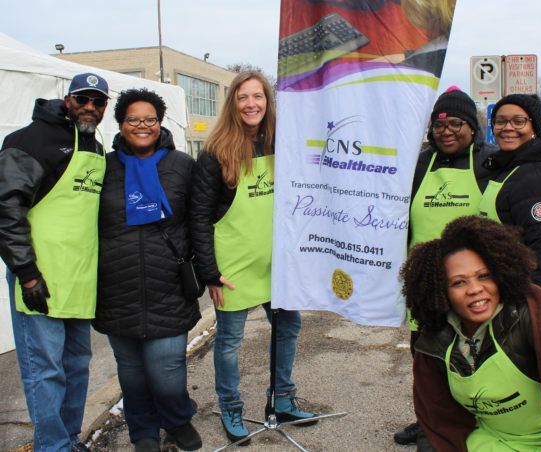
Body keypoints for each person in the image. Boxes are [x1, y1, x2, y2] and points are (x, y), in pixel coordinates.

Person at [190, 71, 316, 444]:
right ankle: (230, 406)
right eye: (243, 97)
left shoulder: (283, 144)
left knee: (288, 329)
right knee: (230, 340)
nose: (251, 104)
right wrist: (209, 272)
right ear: (233, 103)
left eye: (257, 96)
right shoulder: (215, 153)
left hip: (278, 264)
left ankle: (283, 398)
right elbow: (198, 216)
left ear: (267, 101)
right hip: (234, 266)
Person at [406, 216, 541, 452]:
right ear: (439, 291)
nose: (475, 289)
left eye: (483, 276)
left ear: (501, 273)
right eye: (458, 283)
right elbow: (434, 422)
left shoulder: (529, 320)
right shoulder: (434, 343)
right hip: (490, 441)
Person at [0, 73, 109, 452]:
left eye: (98, 101)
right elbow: (6, 211)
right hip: (40, 278)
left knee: (77, 366)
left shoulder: (95, 146)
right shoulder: (29, 141)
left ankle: (69, 438)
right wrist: (27, 274)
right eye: (83, 99)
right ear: (68, 100)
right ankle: (52, 446)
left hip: (79, 278)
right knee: (45, 371)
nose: (90, 107)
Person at [93, 89, 202, 452]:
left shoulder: (182, 165)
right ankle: (143, 430)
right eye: (133, 119)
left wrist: (209, 270)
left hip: (167, 285)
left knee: (167, 371)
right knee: (133, 374)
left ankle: (177, 418)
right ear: (120, 125)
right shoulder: (103, 168)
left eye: (150, 119)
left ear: (160, 123)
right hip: (116, 286)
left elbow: (201, 221)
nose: (142, 125)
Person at [394, 87, 496, 445]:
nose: (447, 131)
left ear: (472, 128)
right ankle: (429, 423)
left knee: (472, 360)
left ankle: (470, 427)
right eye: (439, 125)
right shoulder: (420, 163)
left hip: (473, 285)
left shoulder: (489, 162)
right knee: (426, 360)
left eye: (456, 123)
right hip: (426, 285)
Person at [481, 94, 541, 340]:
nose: (508, 128)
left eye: (518, 121)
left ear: (534, 127)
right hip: (515, 290)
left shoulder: (536, 173)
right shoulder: (513, 166)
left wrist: (529, 307)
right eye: (501, 121)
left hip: (538, 300)